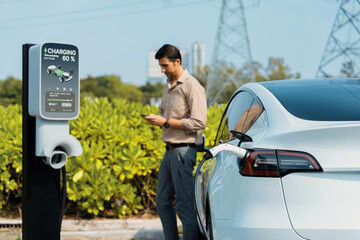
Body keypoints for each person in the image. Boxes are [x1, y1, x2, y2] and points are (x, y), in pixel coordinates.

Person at [144, 44, 207, 240]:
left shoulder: (192, 86)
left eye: (165, 66)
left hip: (183, 151)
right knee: (162, 202)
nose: (162, 70)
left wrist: (166, 122)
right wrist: (158, 117)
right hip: (169, 151)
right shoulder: (168, 85)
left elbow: (199, 122)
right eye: (160, 66)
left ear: (177, 62)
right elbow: (166, 112)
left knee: (184, 205)